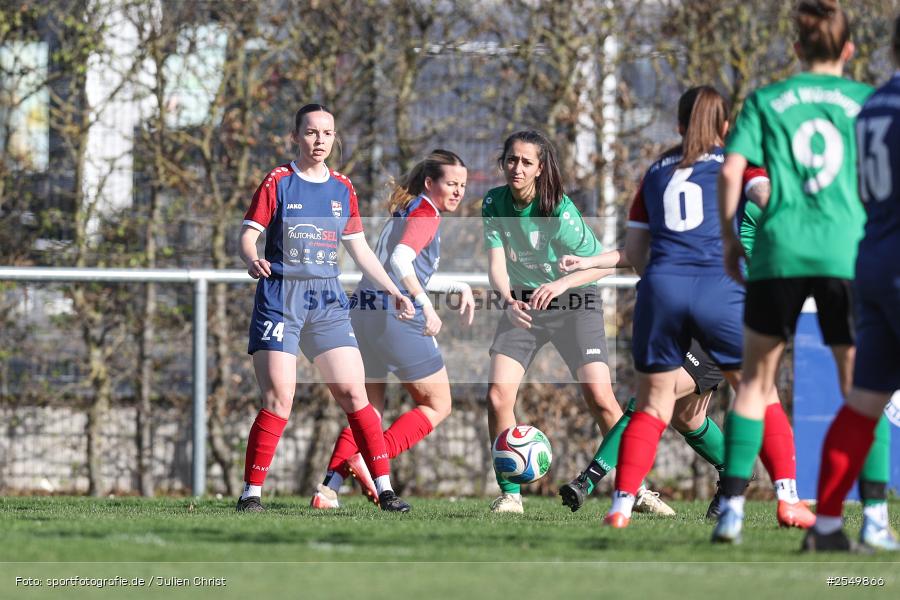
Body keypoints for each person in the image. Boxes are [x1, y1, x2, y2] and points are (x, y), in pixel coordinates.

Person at [714, 0, 875, 544]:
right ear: (849, 50)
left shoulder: (767, 100)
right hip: (844, 254)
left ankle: (733, 512)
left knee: (756, 384)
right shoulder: (867, 103)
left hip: (778, 253)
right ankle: (871, 518)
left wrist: (729, 241)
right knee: (861, 388)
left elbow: (732, 169)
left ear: (797, 48)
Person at [236, 103, 415, 513]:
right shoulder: (278, 181)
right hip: (281, 298)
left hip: (327, 301)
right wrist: (251, 258)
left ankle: (386, 490)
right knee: (280, 398)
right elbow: (248, 235)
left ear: (335, 139)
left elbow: (360, 249)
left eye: (328, 133)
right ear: (296, 137)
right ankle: (251, 494)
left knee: (355, 392)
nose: (320, 141)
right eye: (312, 133)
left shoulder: (342, 187)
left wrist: (394, 290)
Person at [481, 130, 671, 515]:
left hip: (575, 304)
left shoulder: (558, 209)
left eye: (526, 162)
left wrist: (560, 283)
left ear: (540, 168)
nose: (517, 168)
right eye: (511, 160)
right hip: (525, 306)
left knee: (601, 398)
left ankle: (638, 489)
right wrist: (506, 300)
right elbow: (496, 264)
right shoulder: (493, 202)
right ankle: (510, 495)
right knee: (497, 396)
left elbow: (597, 264)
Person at [597, 85, 748, 529]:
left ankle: (621, 505)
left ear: (678, 125)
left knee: (657, 406)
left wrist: (660, 280)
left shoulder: (656, 172)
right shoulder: (739, 169)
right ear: (726, 126)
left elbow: (637, 249)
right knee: (755, 394)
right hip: (725, 295)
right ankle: (781, 496)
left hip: (664, 292)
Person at [310, 149, 475, 509]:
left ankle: (328, 489)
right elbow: (401, 261)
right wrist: (426, 306)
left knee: (367, 411)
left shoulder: (409, 208)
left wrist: (455, 286)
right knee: (438, 404)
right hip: (395, 318)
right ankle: (371, 461)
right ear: (430, 183)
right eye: (451, 184)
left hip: (363, 313)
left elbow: (406, 266)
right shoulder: (426, 214)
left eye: (463, 185)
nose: (458, 191)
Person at [802, 13, 900, 552]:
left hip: (873, 258)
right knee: (864, 402)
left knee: (864, 402)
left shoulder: (871, 107)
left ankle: (827, 527)